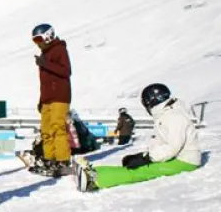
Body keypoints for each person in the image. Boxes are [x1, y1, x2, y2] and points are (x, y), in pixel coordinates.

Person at [75, 84, 201, 192]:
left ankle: (94, 180)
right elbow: (161, 141)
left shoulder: (173, 116)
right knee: (134, 167)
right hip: (178, 157)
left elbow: (172, 147)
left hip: (185, 161)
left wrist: (148, 158)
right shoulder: (166, 114)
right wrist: (143, 155)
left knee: (141, 172)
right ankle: (94, 171)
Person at [32, 23, 73, 177]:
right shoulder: (44, 55)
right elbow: (45, 83)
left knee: (58, 128)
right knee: (46, 131)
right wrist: (41, 100)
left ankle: (63, 161)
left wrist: (45, 64)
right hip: (48, 99)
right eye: (35, 41)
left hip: (60, 97)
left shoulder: (59, 49)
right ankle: (50, 159)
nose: (38, 43)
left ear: (48, 36)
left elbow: (66, 71)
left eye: (39, 39)